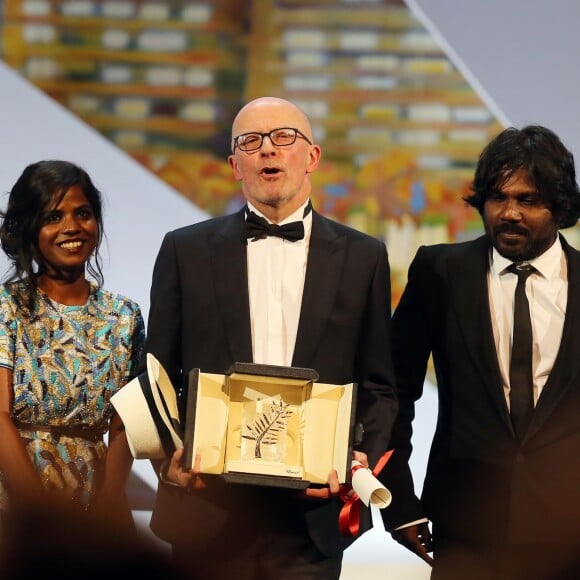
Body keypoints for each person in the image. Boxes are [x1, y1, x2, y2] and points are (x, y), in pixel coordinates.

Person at [143, 96, 397, 579]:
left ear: (312, 157)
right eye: (251, 142)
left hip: (311, 522)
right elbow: (158, 375)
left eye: (283, 137)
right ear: (235, 164)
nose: (267, 150)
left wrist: (355, 459)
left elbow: (379, 384)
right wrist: (165, 462)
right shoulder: (184, 250)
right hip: (207, 512)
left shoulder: (365, 257)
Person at [379, 125, 580, 579]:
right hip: (466, 532)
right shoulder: (440, 272)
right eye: (496, 197)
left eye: (527, 200)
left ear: (560, 206)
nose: (508, 213)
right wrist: (398, 503)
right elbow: (392, 393)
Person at [0, 160, 145, 524]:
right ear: (29, 228)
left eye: (83, 213)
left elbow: (122, 425)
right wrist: (42, 516)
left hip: (96, 506)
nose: (72, 227)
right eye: (53, 217)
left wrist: (109, 504)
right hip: (16, 507)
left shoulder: (124, 315)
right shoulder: (8, 308)